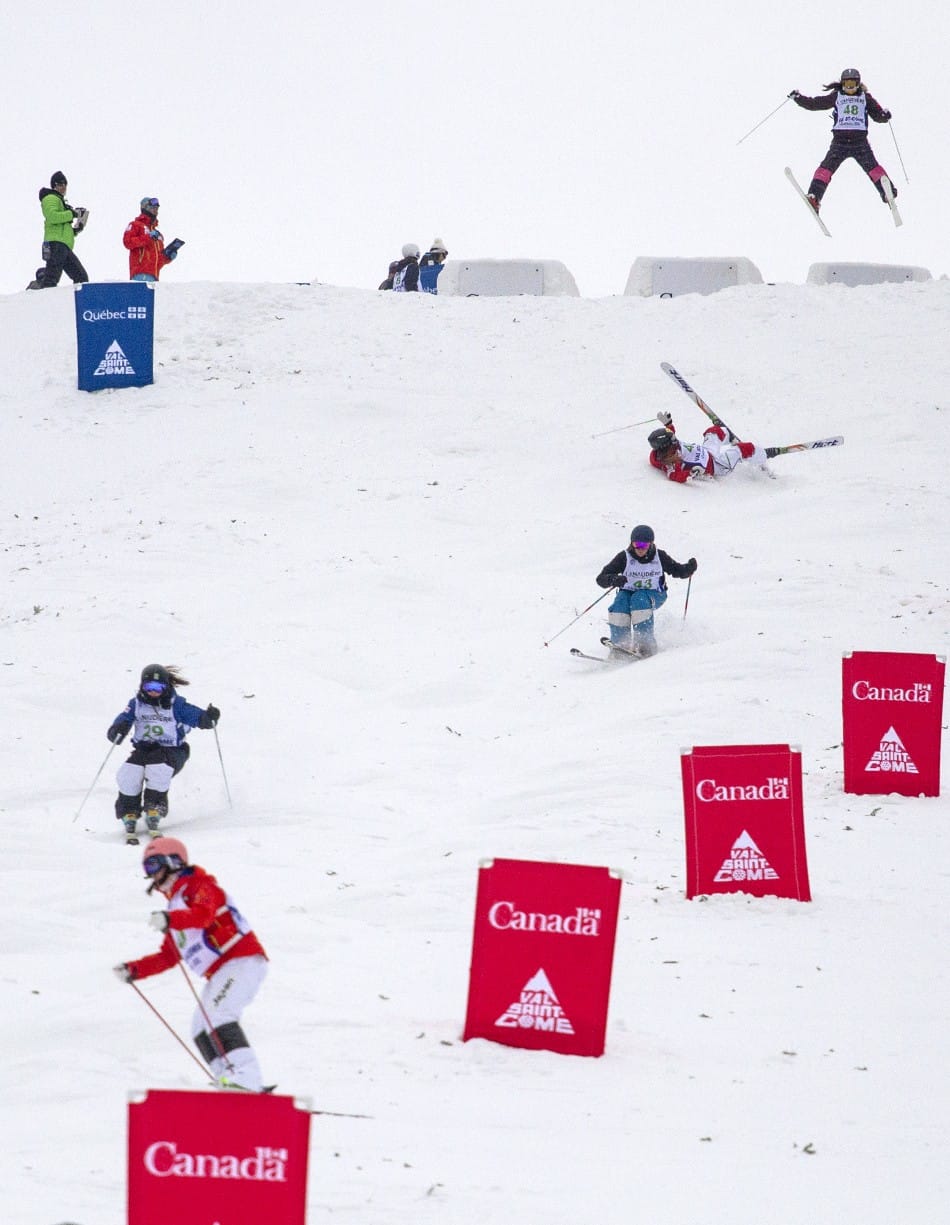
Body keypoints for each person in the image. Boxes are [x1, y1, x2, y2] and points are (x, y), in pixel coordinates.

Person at [114, 837, 269, 1091]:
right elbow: (168, 957)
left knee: (219, 1015)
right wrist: (134, 970)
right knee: (200, 1026)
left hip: (242, 960)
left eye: (153, 865)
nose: (151, 875)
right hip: (223, 969)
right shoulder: (175, 907)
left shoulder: (200, 885)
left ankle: (247, 1077)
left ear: (173, 861)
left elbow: (204, 914)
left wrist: (169, 918)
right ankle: (228, 1078)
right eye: (146, 869)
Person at [106, 665, 220, 838]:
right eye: (148, 687)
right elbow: (124, 719)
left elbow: (196, 717)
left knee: (158, 768)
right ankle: (129, 811)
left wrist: (208, 718)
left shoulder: (176, 705)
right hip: (144, 749)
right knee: (129, 773)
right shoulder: (136, 704)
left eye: (158, 688)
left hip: (173, 751)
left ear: (166, 687)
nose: (153, 692)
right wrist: (117, 730)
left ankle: (154, 807)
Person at [788, 69, 895, 212]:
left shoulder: (865, 98)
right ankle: (814, 197)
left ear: (858, 84)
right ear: (842, 84)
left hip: (859, 142)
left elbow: (877, 115)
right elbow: (815, 104)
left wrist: (884, 115)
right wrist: (799, 98)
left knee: (872, 167)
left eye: (852, 84)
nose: (849, 88)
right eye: (846, 84)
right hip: (840, 142)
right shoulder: (837, 96)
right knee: (825, 168)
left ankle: (887, 193)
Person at [595, 525, 696, 657]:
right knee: (620, 603)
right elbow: (600, 578)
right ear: (632, 543)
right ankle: (620, 645)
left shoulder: (659, 556)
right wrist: (613, 579)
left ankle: (645, 645)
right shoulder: (624, 557)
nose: (640, 548)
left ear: (651, 544)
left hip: (655, 593)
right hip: (628, 593)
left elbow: (677, 570)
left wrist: (688, 569)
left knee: (639, 598)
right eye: (637, 544)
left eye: (644, 545)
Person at [647, 413, 768, 483]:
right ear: (665, 446)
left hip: (707, 451)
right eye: (672, 439)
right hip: (718, 465)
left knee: (713, 431)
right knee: (742, 448)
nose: (675, 440)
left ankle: (729, 436)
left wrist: (668, 425)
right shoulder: (671, 465)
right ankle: (765, 455)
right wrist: (691, 473)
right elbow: (676, 476)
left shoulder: (669, 447)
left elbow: (671, 432)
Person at [28, 171, 89, 290]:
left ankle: (78, 302)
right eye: (60, 184)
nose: (63, 187)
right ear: (54, 185)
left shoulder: (60, 201)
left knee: (81, 277)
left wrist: (75, 230)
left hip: (62, 245)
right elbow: (52, 216)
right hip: (55, 243)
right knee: (52, 278)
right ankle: (40, 299)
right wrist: (72, 213)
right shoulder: (50, 197)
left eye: (65, 184)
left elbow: (60, 226)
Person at [123, 197, 177, 281]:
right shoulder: (135, 225)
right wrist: (148, 237)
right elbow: (127, 242)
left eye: (157, 208)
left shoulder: (158, 235)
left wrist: (168, 256)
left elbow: (158, 261)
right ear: (145, 208)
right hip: (140, 274)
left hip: (154, 277)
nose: (156, 211)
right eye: (153, 208)